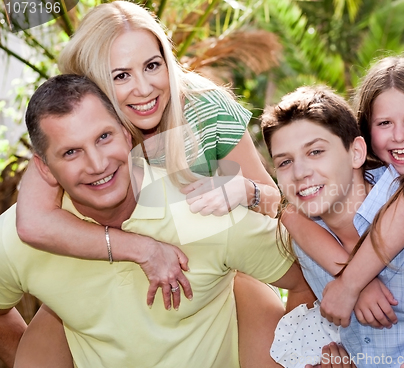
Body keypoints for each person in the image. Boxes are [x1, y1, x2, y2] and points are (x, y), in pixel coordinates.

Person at [14, 1, 285, 367]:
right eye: (120, 75)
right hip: (105, 280)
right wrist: (141, 248)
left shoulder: (203, 107)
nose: (143, 89)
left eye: (152, 66)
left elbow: (275, 204)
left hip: (214, 277)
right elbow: (32, 222)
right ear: (90, 81)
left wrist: (245, 191)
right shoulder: (79, 128)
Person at [260, 78, 404, 368]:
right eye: (284, 162)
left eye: (316, 152)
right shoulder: (309, 242)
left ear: (357, 152)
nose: (299, 173)